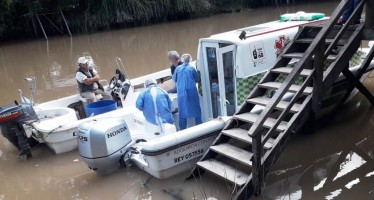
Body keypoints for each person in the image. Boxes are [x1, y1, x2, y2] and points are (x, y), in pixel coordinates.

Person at [173, 54, 202, 130]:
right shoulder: (191, 68)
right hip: (192, 92)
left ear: (182, 60)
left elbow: (174, 79)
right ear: (190, 60)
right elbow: (197, 79)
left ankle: (182, 129)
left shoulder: (178, 69)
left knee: (182, 111)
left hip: (181, 93)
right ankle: (200, 127)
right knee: (196, 109)